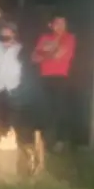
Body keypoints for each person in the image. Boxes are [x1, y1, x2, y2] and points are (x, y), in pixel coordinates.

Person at [31, 15, 76, 148]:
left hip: (60, 77)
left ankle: (60, 141)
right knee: (45, 109)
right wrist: (50, 52)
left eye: (63, 23)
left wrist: (44, 53)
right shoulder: (44, 38)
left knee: (59, 109)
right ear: (51, 25)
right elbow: (33, 58)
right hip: (45, 76)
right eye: (57, 23)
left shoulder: (69, 38)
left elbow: (58, 55)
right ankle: (44, 141)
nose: (60, 26)